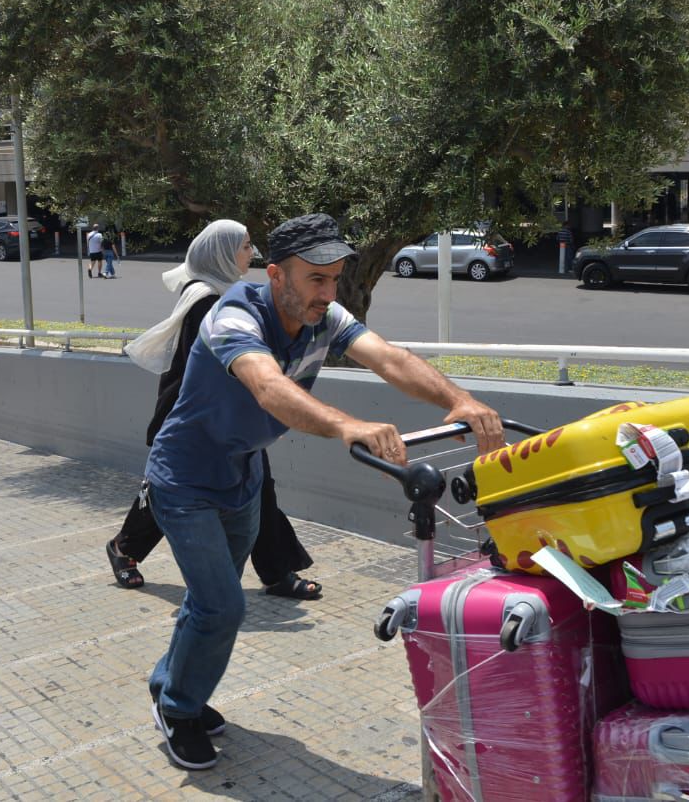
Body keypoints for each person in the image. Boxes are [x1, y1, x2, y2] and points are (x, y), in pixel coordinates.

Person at [143, 212, 502, 771]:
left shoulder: (324, 316)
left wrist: (458, 400)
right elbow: (268, 387)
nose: (329, 293)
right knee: (222, 605)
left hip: (242, 476)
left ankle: (170, 682)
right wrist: (346, 425)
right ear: (276, 275)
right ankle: (178, 708)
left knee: (210, 600)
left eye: (334, 278)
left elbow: (390, 359)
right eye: (316, 278)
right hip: (185, 477)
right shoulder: (233, 314)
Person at [108, 220, 320, 600]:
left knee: (254, 487)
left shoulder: (221, 293)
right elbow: (210, 367)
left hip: (227, 415)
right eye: (245, 246)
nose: (252, 253)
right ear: (221, 253)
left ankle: (275, 572)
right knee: (174, 490)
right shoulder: (205, 299)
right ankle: (124, 547)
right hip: (200, 419)